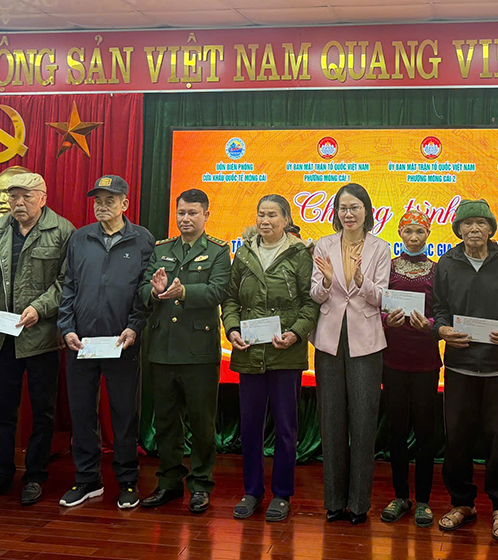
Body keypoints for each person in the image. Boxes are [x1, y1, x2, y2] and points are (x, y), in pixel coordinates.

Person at [0, 172, 75, 506]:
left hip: (42, 336)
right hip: (3, 337)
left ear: (43, 198)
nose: (18, 203)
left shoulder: (63, 232)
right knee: (1, 410)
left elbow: (67, 283)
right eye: (13, 196)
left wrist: (38, 308)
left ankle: (35, 476)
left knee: (43, 411)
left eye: (26, 197)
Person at [56, 175, 155, 509]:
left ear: (125, 203)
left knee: (124, 414)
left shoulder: (143, 240)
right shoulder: (80, 238)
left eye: (109, 200)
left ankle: (127, 481)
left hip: (122, 342)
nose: (101, 206)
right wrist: (66, 328)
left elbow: (144, 292)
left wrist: (134, 327)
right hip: (81, 343)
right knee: (82, 413)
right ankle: (87, 480)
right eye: (97, 201)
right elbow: (68, 286)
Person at [222, 195, 318, 522]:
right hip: (249, 352)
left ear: (286, 219)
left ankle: (281, 494)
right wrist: (232, 329)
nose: (265, 220)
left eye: (273, 215)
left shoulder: (300, 254)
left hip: (285, 352)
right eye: (261, 214)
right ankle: (252, 491)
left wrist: (296, 334)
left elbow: (311, 303)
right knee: (250, 427)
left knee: (286, 427)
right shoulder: (244, 253)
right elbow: (230, 299)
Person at [433, 198, 498, 540]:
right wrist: (442, 330)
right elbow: (439, 307)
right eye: (467, 223)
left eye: (481, 223)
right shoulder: (447, 263)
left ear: (490, 229)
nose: (474, 229)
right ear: (458, 229)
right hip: (460, 365)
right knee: (457, 437)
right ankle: (462, 503)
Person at [139, 189, 231, 514]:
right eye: (181, 212)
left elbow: (219, 290)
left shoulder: (219, 251)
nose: (186, 219)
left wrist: (183, 291)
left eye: (193, 213)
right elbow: (142, 288)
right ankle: (168, 482)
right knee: (166, 421)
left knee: (202, 423)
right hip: (162, 349)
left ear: (206, 215)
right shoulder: (161, 248)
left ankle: (201, 484)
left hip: (199, 352)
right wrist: (155, 291)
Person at [310, 183, 391, 525]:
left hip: (366, 341)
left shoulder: (381, 248)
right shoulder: (323, 244)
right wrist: (328, 282)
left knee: (363, 421)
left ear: (366, 211)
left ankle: (359, 504)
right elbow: (315, 295)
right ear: (336, 212)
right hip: (329, 339)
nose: (348, 213)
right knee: (331, 421)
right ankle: (333, 501)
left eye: (355, 207)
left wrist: (360, 280)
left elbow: (383, 298)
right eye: (343, 208)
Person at [378, 209, 441, 528]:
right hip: (393, 359)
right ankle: (401, 496)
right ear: (400, 234)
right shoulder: (387, 268)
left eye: (420, 231)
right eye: (408, 231)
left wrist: (429, 324)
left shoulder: (438, 270)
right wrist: (385, 320)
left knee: (426, 431)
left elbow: (445, 312)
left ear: (428, 234)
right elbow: (373, 307)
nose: (414, 237)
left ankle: (424, 501)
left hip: (426, 360)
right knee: (396, 430)